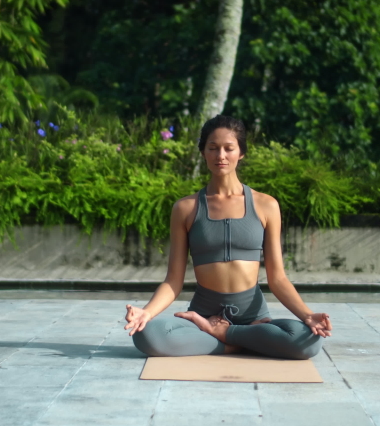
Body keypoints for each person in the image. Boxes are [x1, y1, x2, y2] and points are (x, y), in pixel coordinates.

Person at [123, 115, 331, 359]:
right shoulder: (186, 208)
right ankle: (237, 341)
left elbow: (278, 279)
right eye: (212, 148)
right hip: (202, 315)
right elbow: (173, 281)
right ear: (203, 152)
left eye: (228, 148)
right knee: (146, 335)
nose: (220, 155)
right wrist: (146, 313)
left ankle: (223, 336)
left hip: (254, 319)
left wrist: (307, 315)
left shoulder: (266, 206)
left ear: (241, 152)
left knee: (307, 342)